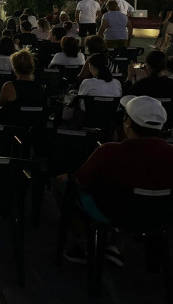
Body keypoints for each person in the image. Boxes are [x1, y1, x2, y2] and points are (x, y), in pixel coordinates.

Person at [57, 96, 173, 264]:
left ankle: (85, 244)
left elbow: (80, 181)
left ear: (127, 123)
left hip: (114, 214)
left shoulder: (109, 151)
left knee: (62, 183)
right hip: (160, 216)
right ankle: (116, 245)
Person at [0, 49, 45, 122]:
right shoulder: (39, 87)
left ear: (15, 68)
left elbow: (0, 106)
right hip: (33, 126)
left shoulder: (9, 86)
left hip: (13, 125)